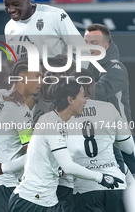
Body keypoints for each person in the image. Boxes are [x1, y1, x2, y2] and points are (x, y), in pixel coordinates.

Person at [8, 78, 123, 212]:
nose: (85, 101)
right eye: (82, 96)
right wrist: (101, 177)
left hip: (47, 200)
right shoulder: (52, 125)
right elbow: (68, 166)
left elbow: (37, 157)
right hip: (31, 202)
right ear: (70, 100)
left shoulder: (53, 120)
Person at [66, 69, 134, 212]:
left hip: (86, 187)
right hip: (115, 184)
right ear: (93, 87)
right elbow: (129, 148)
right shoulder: (109, 108)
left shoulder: (65, 114)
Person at [0, 59, 42, 212]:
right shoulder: (20, 110)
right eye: (37, 76)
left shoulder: (2, 99)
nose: (41, 81)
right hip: (7, 184)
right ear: (22, 76)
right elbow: (32, 154)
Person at [3, 0, 90, 67]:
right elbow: (13, 65)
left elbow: (83, 51)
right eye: (6, 5)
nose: (10, 9)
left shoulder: (55, 15)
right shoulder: (9, 27)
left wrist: (78, 77)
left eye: (16, 4)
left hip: (56, 78)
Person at [85, 23, 135, 175]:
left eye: (94, 43)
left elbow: (99, 91)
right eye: (86, 43)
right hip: (100, 135)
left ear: (105, 47)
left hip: (121, 136)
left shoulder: (116, 67)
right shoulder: (89, 68)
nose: (88, 47)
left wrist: (68, 88)